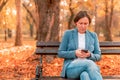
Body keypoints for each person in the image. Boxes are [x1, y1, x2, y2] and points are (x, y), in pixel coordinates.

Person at [58, 11, 103, 80]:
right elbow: (60, 53)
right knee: (89, 63)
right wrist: (74, 53)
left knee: (85, 75)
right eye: (80, 23)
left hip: (89, 69)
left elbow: (98, 56)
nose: (83, 26)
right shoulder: (68, 34)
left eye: (85, 24)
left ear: (89, 24)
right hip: (71, 68)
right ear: (76, 23)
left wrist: (90, 55)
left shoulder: (93, 36)